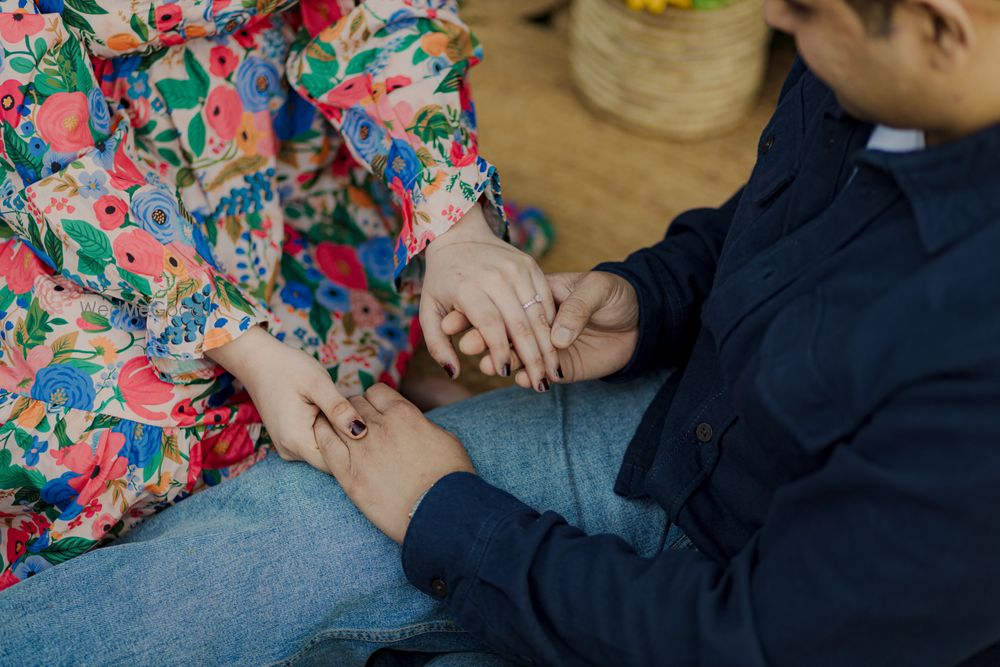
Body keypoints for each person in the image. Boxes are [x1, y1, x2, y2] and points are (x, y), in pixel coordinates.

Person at [3, 0, 1000, 665]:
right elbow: (780, 225)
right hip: (684, 428)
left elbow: (741, 642)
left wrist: (445, 509)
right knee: (233, 552)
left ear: (939, 27)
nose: (774, 12)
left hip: (744, 626)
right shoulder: (892, 70)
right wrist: (648, 297)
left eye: (806, 10)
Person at [0, 0, 560, 586]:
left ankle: (378, 371)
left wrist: (454, 221)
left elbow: (384, 16)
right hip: (86, 223)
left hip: (279, 164)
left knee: (355, 307)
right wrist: (246, 349)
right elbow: (54, 159)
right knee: (106, 442)